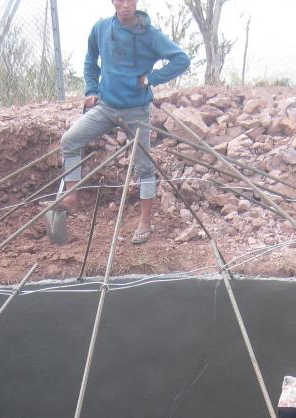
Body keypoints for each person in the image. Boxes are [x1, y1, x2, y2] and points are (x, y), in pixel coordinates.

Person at [59, 0, 190, 244]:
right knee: (70, 140)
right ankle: (71, 197)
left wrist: (150, 78)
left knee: (144, 166)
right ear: (113, 2)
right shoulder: (100, 29)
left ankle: (145, 222)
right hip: (106, 106)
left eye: (131, 0)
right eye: (121, 0)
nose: (126, 4)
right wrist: (91, 89)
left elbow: (181, 59)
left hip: (136, 111)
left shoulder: (150, 35)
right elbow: (90, 61)